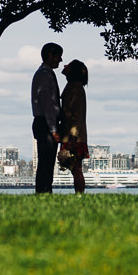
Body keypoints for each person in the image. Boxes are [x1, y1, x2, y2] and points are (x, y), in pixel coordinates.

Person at [31, 42, 63, 193]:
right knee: (46, 163)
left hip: (43, 122)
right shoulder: (45, 75)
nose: (60, 60)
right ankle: (44, 192)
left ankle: (43, 192)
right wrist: (53, 129)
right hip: (46, 124)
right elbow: (47, 103)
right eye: (58, 56)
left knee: (46, 162)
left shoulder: (44, 73)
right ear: (50, 55)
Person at [60, 59, 90, 194]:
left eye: (69, 66)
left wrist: (72, 137)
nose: (65, 66)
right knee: (75, 168)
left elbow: (76, 115)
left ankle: (79, 194)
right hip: (73, 135)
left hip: (74, 137)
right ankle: (79, 194)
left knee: (76, 168)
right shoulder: (74, 87)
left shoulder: (75, 88)